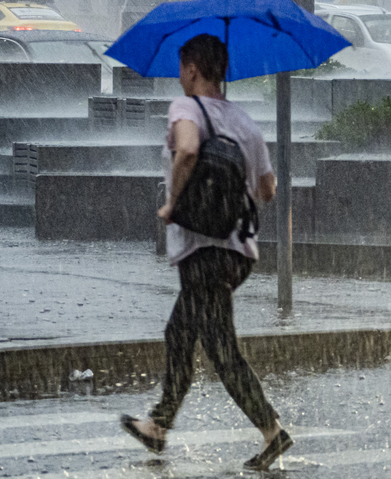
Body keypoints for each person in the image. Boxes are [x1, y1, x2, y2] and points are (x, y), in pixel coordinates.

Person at [120, 33, 292, 470]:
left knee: (220, 348)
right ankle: (158, 426)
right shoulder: (245, 123)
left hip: (201, 249)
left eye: (182, 69)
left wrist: (173, 203)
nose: (180, 77)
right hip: (237, 254)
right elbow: (268, 191)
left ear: (193, 69)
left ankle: (272, 431)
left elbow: (189, 149)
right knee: (182, 333)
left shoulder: (185, 109)